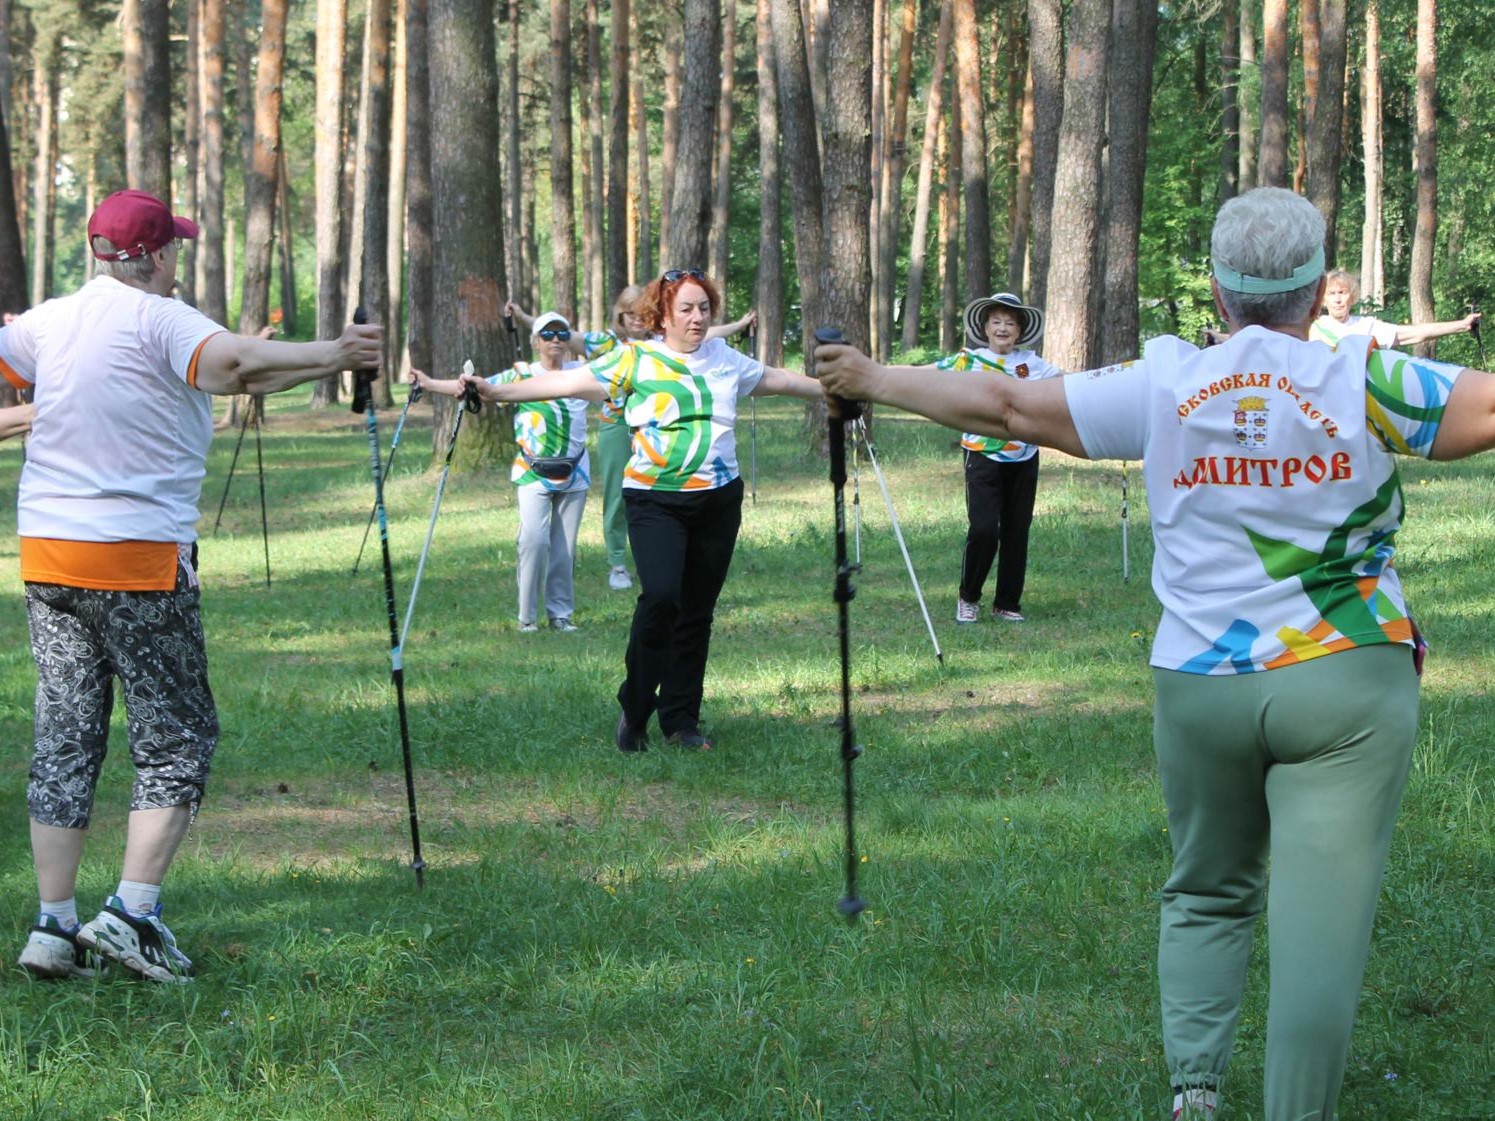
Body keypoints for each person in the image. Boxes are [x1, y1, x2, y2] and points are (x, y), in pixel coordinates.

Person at [815, 187, 1495, 1121]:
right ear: (1316, 289)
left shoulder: (1168, 379)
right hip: (1345, 678)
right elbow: (1486, 413)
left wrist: (871, 375)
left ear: (1219, 291)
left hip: (1200, 684)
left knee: (1207, 888)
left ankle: (1195, 1095)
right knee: (1316, 935)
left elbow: (1007, 405)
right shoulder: (1362, 377)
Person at [0, 188, 382, 983]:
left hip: (47, 559)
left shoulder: (53, 319)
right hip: (136, 561)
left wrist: (314, 358)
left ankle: (53, 925)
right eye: (171, 246)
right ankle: (132, 915)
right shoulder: (158, 316)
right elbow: (235, 363)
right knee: (176, 737)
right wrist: (339, 353)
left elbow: (230, 375)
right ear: (153, 256)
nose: (176, 258)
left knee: (66, 736)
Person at [464, 269, 822, 752]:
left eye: (703, 308)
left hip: (719, 499)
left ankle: (681, 720)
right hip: (655, 499)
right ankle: (635, 708)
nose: (697, 318)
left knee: (697, 612)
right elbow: (566, 381)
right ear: (663, 316)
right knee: (660, 598)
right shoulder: (634, 358)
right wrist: (495, 390)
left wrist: (831, 389)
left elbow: (776, 378)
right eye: (686, 310)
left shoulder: (724, 357)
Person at [508, 294, 758, 592]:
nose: (636, 318)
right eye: (629, 312)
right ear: (620, 315)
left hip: (655, 430)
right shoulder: (606, 342)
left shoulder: (662, 340)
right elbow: (561, 334)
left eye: (642, 312)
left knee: (657, 493)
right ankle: (617, 562)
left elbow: (709, 333)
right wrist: (523, 317)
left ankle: (657, 559)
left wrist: (740, 324)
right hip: (616, 425)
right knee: (617, 495)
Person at [413, 312, 590, 633]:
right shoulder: (521, 375)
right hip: (533, 472)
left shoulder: (582, 372)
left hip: (575, 472)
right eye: (547, 335)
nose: (555, 341)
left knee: (565, 549)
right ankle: (527, 618)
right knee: (534, 542)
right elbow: (474, 388)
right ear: (535, 341)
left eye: (561, 334)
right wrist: (427, 383)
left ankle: (560, 614)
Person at [937, 292, 1063, 623]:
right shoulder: (968, 360)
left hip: (1025, 456)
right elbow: (927, 376)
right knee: (983, 529)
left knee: (1016, 530)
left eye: (1010, 323)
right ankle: (968, 597)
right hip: (982, 455)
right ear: (985, 328)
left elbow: (1069, 386)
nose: (1003, 328)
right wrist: (875, 376)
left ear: (1019, 331)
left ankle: (1007, 603)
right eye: (997, 322)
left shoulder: (1032, 364)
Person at [1309, 267, 1479, 349]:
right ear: (1323, 299)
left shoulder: (1366, 327)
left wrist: (1462, 325)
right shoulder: (1312, 328)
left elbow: (1413, 334)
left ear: (1352, 297)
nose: (1338, 299)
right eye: (1331, 294)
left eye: (1342, 292)